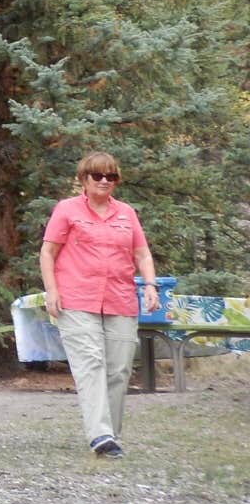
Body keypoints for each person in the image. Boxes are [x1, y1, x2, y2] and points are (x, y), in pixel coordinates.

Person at [39, 151, 159, 459]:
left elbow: (142, 254)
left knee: (118, 369)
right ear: (84, 178)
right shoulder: (67, 210)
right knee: (90, 363)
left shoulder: (126, 213)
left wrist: (150, 285)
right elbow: (48, 253)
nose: (105, 181)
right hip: (76, 298)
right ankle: (101, 435)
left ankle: (110, 434)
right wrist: (51, 291)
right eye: (98, 176)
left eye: (111, 177)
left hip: (120, 299)